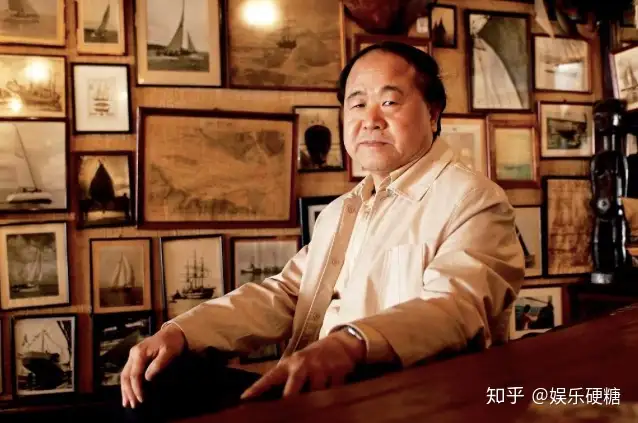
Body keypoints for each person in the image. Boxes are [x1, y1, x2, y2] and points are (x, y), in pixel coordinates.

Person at [119, 41, 525, 416]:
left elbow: (456, 307)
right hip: (316, 397)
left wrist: (352, 342)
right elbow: (288, 293)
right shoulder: (342, 209)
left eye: (389, 101)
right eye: (357, 103)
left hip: (407, 404)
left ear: (433, 114)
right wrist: (183, 331)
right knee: (158, 380)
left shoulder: (472, 199)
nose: (370, 120)